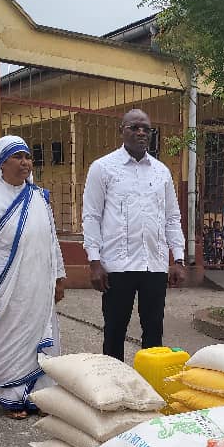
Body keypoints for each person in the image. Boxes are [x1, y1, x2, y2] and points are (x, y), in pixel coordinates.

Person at [0, 135, 65, 419]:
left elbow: (51, 240)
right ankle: (11, 398)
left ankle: (40, 396)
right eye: (17, 157)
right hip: (5, 285)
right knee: (8, 338)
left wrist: (59, 276)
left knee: (37, 339)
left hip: (38, 284)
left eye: (28, 157)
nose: (25, 162)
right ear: (1, 163)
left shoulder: (38, 197)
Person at [81, 108, 186, 360]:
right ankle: (114, 381)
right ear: (122, 131)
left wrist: (179, 259)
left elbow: (172, 217)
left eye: (146, 129)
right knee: (114, 331)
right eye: (134, 127)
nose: (141, 133)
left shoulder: (161, 172)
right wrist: (94, 262)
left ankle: (149, 381)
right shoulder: (103, 168)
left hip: (154, 265)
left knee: (154, 332)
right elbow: (92, 216)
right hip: (117, 266)